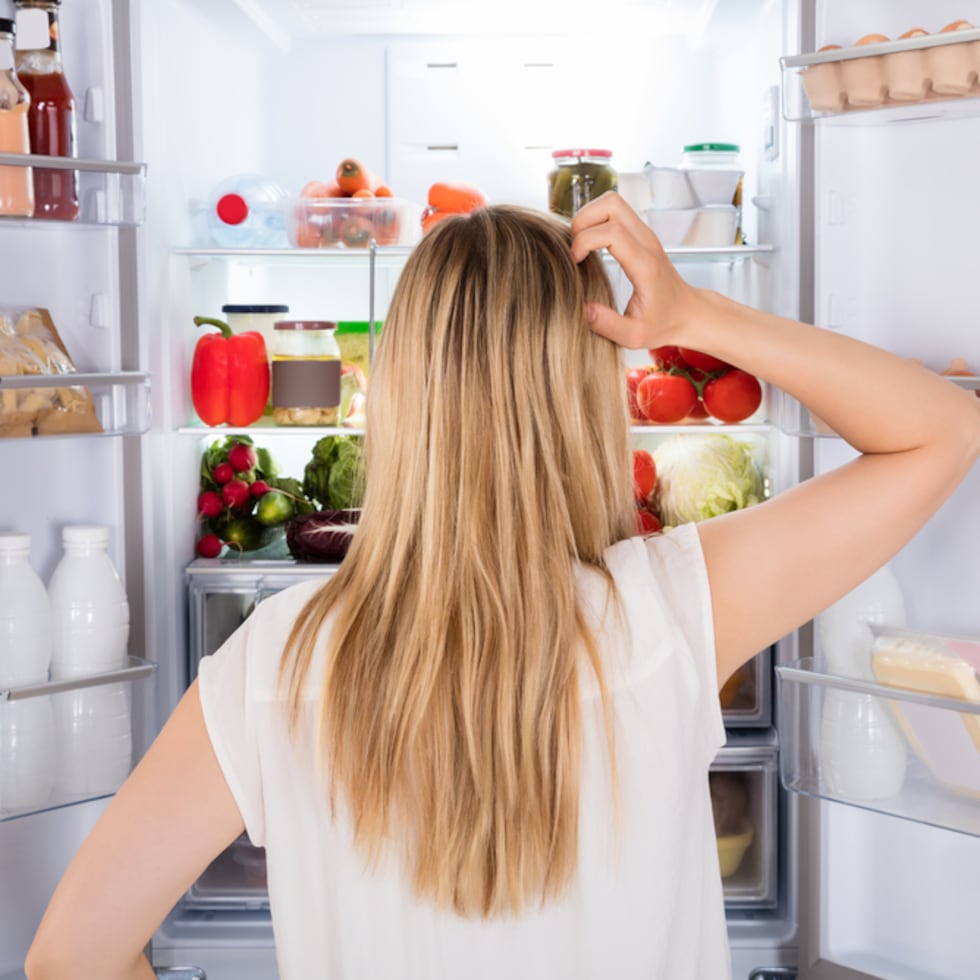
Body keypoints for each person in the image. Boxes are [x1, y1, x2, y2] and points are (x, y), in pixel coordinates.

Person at [25, 197, 980, 980]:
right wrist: (695, 315)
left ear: (399, 394)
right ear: (588, 392)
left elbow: (73, 955)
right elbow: (943, 430)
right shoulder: (673, 608)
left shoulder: (273, 661)